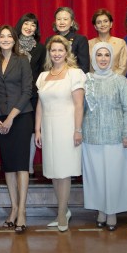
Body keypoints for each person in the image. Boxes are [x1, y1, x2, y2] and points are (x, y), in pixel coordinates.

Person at [35, 35, 86, 232]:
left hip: (67, 127)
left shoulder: (75, 74)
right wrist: (37, 129)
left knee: (64, 172)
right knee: (54, 172)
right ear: (49, 53)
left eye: (60, 50)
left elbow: (79, 104)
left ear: (67, 52)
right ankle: (63, 211)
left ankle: (62, 213)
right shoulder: (42, 76)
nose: (56, 54)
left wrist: (78, 130)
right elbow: (40, 104)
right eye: (53, 50)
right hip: (49, 128)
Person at [0, 26, 33, 233]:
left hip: (20, 117)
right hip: (0, 119)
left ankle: (22, 211)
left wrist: (12, 117)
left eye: (8, 36)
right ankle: (13, 208)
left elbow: (27, 91)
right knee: (8, 166)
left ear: (15, 40)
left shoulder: (22, 60)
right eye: (1, 36)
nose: (5, 39)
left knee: (21, 165)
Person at [82, 42, 127, 231]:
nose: (103, 59)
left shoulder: (120, 80)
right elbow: (81, 109)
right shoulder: (86, 80)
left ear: (111, 58)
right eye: (99, 55)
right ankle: (101, 210)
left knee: (114, 176)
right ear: (93, 58)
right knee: (96, 176)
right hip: (91, 135)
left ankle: (111, 211)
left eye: (106, 55)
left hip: (116, 136)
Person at [15, 13, 46, 176]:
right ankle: (17, 163)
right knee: (16, 130)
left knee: (32, 130)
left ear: (36, 29)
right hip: (13, 94)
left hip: (33, 95)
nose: (29, 27)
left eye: (33, 25)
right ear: (20, 25)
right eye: (26, 23)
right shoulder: (11, 45)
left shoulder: (40, 48)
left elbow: (42, 72)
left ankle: (29, 164)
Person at [46, 7, 90, 73]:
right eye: (59, 19)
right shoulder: (49, 40)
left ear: (72, 22)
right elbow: (46, 64)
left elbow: (84, 67)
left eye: (65, 19)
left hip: (73, 79)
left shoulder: (80, 40)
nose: (61, 22)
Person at [87, 8, 127, 76]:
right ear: (95, 27)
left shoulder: (120, 43)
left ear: (111, 24)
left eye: (105, 21)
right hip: (94, 82)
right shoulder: (89, 44)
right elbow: (88, 67)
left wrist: (110, 80)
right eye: (99, 22)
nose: (102, 24)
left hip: (115, 82)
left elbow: (123, 67)